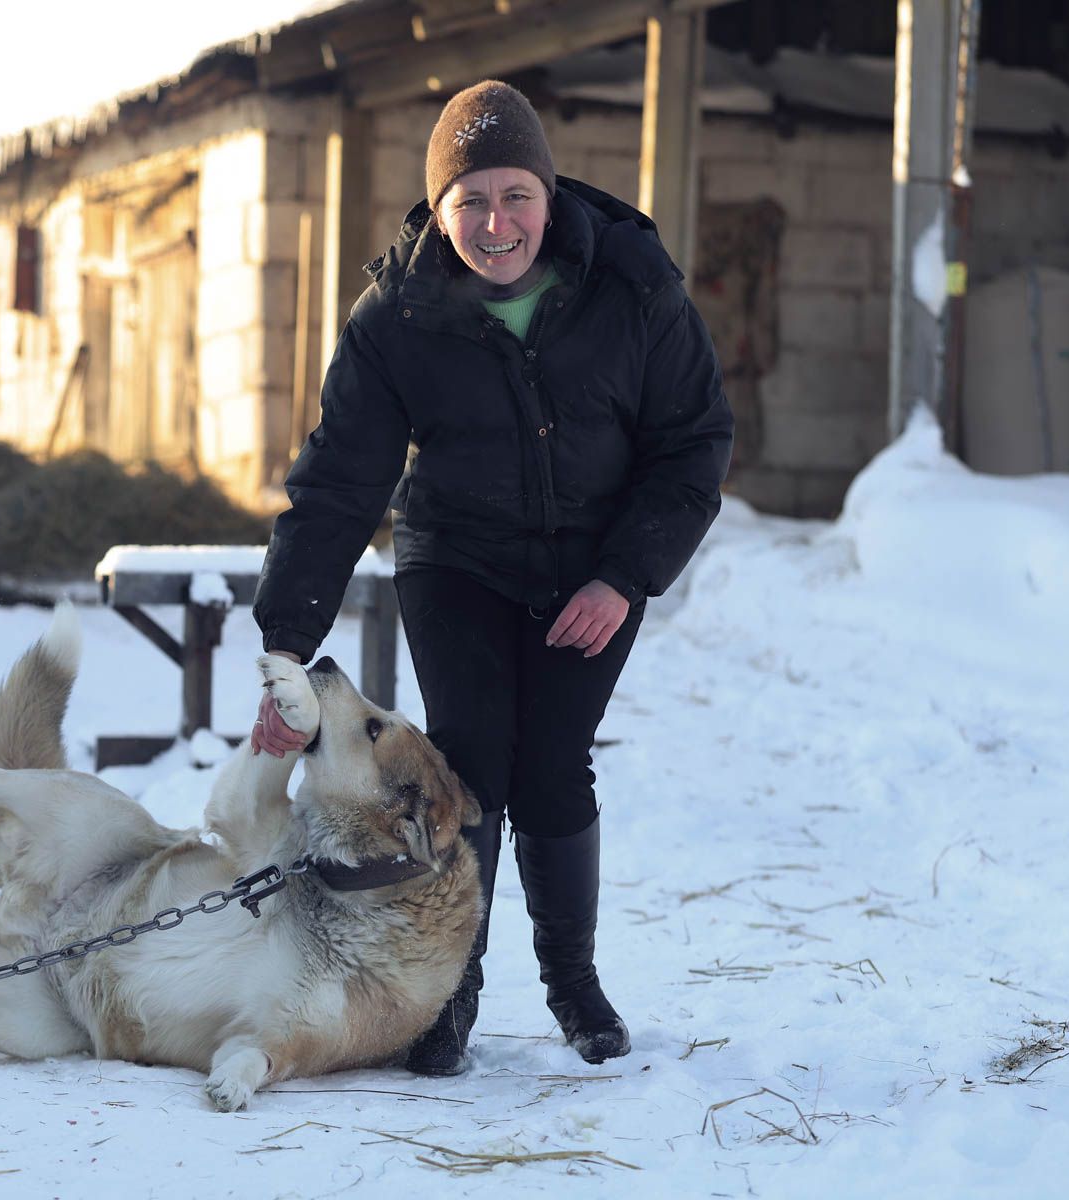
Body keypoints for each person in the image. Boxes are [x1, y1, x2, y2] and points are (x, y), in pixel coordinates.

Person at [249, 80, 733, 1075]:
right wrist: (287, 649)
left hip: (593, 566)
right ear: (439, 210)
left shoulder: (632, 285)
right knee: (470, 763)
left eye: (516, 195)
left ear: (549, 195)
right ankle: (450, 989)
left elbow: (694, 443)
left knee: (554, 762)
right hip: (459, 557)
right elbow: (341, 482)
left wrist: (625, 575)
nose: (496, 223)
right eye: (470, 202)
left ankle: (573, 982)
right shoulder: (397, 314)